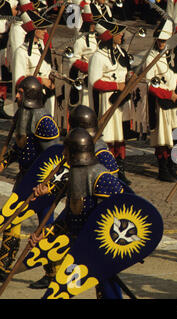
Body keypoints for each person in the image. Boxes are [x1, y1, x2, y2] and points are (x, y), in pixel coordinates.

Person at [31, 127, 125, 299]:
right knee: (61, 291)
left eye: (66, 150)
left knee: (107, 291)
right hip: (79, 246)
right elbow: (70, 218)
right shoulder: (75, 174)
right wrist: (44, 234)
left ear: (74, 152)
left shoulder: (102, 178)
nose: (63, 154)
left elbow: (114, 217)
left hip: (98, 249)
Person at [0, 76, 60, 282]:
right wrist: (2, 162)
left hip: (41, 184)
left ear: (30, 95)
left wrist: (47, 185)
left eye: (20, 93)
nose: (15, 96)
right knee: (11, 219)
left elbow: (54, 159)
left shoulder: (45, 122)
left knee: (44, 227)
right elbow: (19, 149)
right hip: (24, 179)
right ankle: (4, 264)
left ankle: (53, 273)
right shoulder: (21, 114)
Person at [88, 19, 132, 185]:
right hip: (106, 100)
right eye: (118, 32)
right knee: (108, 136)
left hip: (121, 100)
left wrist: (129, 78)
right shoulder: (98, 57)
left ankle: (120, 169)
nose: (121, 35)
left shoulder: (121, 52)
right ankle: (106, 169)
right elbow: (95, 82)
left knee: (120, 136)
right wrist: (116, 85)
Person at [146, 19, 177, 182]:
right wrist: (167, 94)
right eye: (161, 40)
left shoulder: (171, 56)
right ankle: (163, 168)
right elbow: (149, 84)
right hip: (161, 102)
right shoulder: (151, 57)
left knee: (176, 135)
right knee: (163, 138)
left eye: (165, 40)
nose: (162, 43)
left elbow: (172, 76)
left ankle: (171, 164)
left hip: (174, 100)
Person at [13, 9, 55, 116]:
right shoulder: (21, 52)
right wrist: (42, 81)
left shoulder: (42, 48)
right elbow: (19, 80)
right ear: (35, 30)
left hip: (46, 95)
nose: (45, 31)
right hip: (31, 99)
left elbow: (46, 68)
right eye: (43, 28)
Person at [67, 2, 97, 107]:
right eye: (93, 23)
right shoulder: (81, 40)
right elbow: (73, 60)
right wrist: (90, 68)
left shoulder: (98, 37)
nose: (95, 26)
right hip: (86, 78)